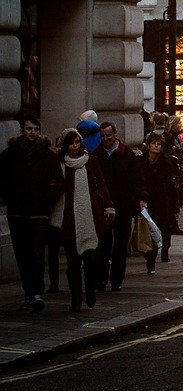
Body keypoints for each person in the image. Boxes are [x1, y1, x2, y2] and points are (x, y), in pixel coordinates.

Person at [0, 117, 63, 313]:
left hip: (39, 213)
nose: (33, 132)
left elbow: (58, 182)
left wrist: (46, 199)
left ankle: (37, 293)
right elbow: (2, 180)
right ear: (22, 131)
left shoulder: (48, 155)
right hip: (17, 213)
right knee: (22, 255)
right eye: (29, 129)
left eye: (36, 129)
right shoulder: (10, 154)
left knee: (36, 254)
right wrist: (11, 198)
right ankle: (28, 292)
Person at [50, 129, 112, 312]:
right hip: (68, 217)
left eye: (77, 142)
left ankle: (90, 289)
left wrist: (109, 205)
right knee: (73, 262)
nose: (75, 146)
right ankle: (76, 298)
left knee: (92, 258)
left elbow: (100, 183)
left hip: (89, 216)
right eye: (71, 143)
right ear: (65, 146)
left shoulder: (91, 161)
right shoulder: (60, 164)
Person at [93, 121, 146, 292]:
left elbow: (138, 178)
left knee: (121, 245)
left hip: (124, 206)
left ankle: (116, 280)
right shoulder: (97, 155)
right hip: (104, 207)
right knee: (104, 244)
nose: (106, 139)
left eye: (108, 135)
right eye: (102, 136)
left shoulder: (127, 154)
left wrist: (140, 198)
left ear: (115, 134)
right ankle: (101, 279)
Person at [139, 131, 180, 272]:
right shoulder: (141, 161)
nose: (156, 146)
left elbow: (171, 186)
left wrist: (175, 208)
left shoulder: (166, 162)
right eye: (154, 143)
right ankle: (150, 260)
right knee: (149, 231)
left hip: (162, 201)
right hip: (146, 201)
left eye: (159, 144)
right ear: (148, 145)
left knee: (162, 229)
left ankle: (162, 252)